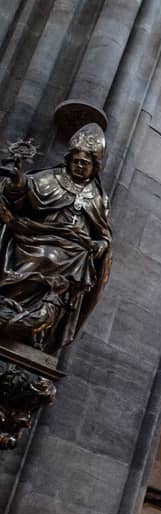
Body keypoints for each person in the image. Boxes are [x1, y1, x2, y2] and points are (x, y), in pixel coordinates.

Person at [0, 124, 112, 353]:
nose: (80, 166)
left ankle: (41, 323)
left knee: (73, 262)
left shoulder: (98, 198)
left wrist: (100, 245)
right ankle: (13, 304)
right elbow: (23, 191)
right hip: (37, 237)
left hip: (76, 250)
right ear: (69, 160)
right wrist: (17, 178)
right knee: (47, 256)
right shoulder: (52, 177)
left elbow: (103, 235)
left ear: (94, 167)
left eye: (85, 163)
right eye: (76, 161)